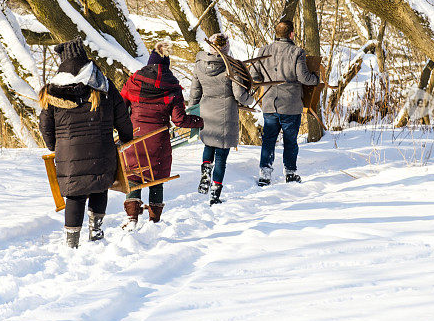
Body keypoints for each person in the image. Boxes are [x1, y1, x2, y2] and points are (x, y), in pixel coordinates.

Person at [39, 38, 133, 248]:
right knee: (99, 187)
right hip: (101, 149)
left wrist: (55, 145)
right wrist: (127, 138)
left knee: (75, 194)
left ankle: (72, 242)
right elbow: (123, 118)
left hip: (68, 155)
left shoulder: (52, 90)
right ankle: (96, 231)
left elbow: (45, 126)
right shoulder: (103, 85)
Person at [120, 41, 203, 226]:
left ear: (148, 63)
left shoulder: (133, 82)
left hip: (134, 137)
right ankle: (154, 221)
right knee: (156, 177)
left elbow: (119, 110)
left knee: (134, 175)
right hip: (158, 141)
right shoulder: (172, 87)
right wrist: (199, 121)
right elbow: (179, 120)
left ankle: (132, 218)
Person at [252, 20, 319, 186]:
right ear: (291, 34)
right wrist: (316, 80)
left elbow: (253, 75)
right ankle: (290, 173)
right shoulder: (297, 52)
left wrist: (265, 79)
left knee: (268, 140)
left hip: (269, 104)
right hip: (290, 104)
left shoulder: (263, 50)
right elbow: (303, 77)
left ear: (276, 34)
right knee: (290, 141)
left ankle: (265, 175)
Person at [190, 33, 254, 205]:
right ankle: (215, 194)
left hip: (207, 112)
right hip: (225, 115)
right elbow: (239, 95)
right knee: (221, 156)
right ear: (226, 47)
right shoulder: (230, 66)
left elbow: (195, 92)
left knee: (209, 145)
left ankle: (205, 175)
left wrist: (192, 111)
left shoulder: (199, 64)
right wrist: (251, 99)